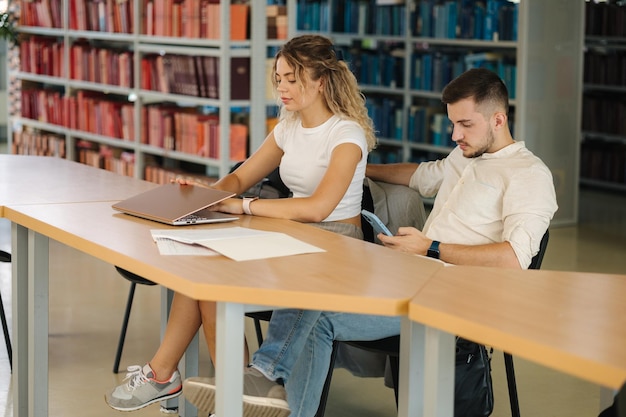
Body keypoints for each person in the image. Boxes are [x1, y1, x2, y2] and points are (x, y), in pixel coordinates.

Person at [181, 67, 559, 417]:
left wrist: (429, 248)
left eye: (465, 124)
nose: (455, 135)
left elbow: (515, 260)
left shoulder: (528, 175)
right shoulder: (466, 155)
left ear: (499, 119)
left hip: (453, 299)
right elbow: (419, 176)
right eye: (452, 124)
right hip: (412, 279)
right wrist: (352, 165)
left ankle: (264, 377)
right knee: (315, 281)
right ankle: (269, 385)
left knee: (319, 310)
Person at [104, 34, 377, 412]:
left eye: (292, 79)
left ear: (321, 81)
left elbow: (317, 208)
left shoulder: (346, 133)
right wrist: (204, 196)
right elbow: (238, 178)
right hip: (294, 235)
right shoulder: (288, 127)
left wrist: (242, 206)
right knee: (207, 280)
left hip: (337, 245)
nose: (281, 87)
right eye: (278, 78)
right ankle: (222, 389)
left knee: (215, 283)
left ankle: (177, 377)